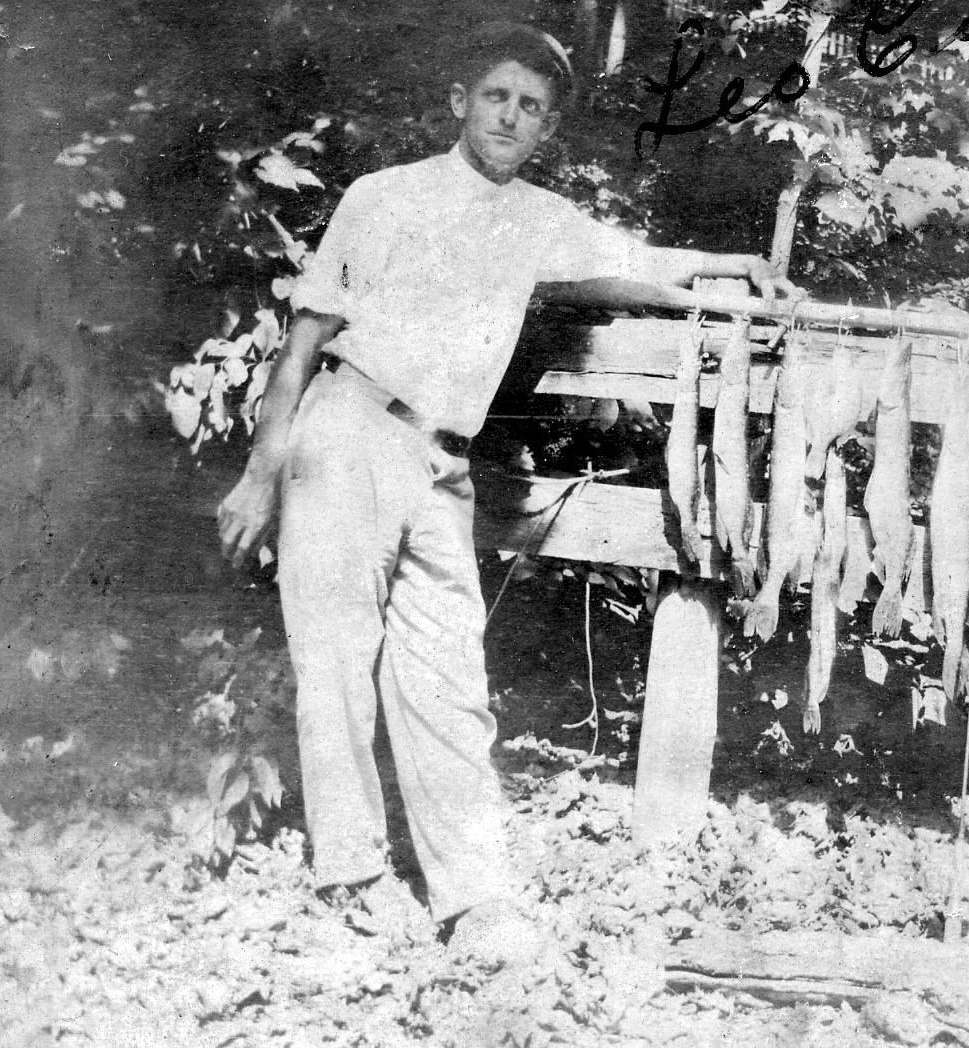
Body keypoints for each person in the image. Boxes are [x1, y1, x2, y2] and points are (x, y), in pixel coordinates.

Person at [215, 21, 796, 963]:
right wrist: (258, 475)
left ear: (546, 128)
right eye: (497, 96)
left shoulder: (539, 219)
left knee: (450, 677)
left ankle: (476, 898)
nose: (510, 117)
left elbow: (639, 260)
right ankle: (352, 874)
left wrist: (734, 269)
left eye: (531, 107)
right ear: (461, 103)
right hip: (348, 434)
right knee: (337, 665)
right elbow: (304, 342)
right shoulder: (382, 197)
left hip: (442, 464)